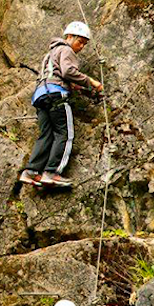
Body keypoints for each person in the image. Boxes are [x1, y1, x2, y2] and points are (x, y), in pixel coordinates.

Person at [19, 21, 104, 189]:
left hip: (41, 96)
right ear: (69, 36)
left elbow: (57, 74)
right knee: (65, 134)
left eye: (84, 44)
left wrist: (75, 85)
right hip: (57, 95)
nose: (81, 47)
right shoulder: (66, 49)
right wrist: (91, 82)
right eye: (80, 41)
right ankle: (52, 173)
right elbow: (67, 71)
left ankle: (31, 171)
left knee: (46, 135)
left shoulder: (50, 54)